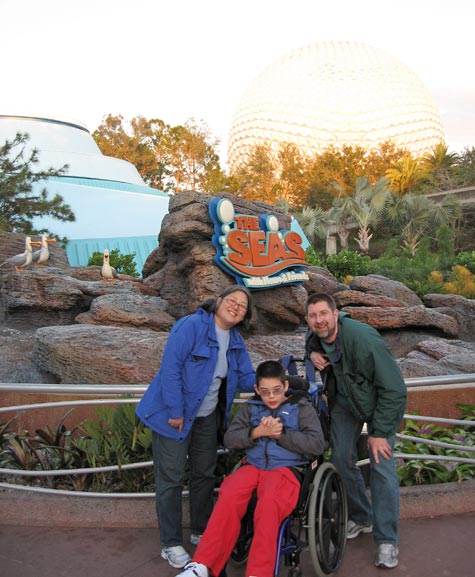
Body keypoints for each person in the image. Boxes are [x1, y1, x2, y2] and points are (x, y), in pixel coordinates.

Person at [136, 285, 256, 570]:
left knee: (204, 473)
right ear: (218, 301)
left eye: (243, 306)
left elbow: (248, 377)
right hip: (173, 416)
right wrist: (176, 410)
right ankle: (171, 543)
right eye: (232, 301)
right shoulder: (192, 325)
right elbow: (171, 367)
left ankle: (201, 530)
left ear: (245, 316)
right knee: (171, 478)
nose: (236, 307)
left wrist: (277, 382)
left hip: (206, 418)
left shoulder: (236, 341)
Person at [174, 360, 325, 577]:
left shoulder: (301, 408)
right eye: (264, 392)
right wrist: (256, 433)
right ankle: (202, 565)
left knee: (269, 504)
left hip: (285, 469)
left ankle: (259, 572)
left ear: (285, 386)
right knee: (228, 494)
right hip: (252, 467)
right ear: (256, 390)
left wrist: (280, 435)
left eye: (276, 390)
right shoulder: (251, 408)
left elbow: (317, 444)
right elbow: (229, 439)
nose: (271, 397)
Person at [304, 293, 407, 569]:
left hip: (378, 404)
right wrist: (311, 353)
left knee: (381, 466)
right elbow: (312, 339)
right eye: (313, 316)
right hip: (345, 403)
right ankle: (362, 517)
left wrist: (380, 432)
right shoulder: (317, 333)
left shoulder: (362, 339)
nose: (319, 320)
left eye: (324, 314)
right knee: (340, 458)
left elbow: (395, 389)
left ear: (336, 314)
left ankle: (387, 540)